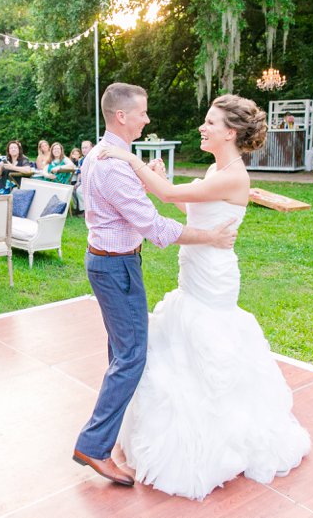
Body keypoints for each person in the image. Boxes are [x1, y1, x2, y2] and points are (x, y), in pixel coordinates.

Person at [98, 93, 311, 499]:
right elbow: (188, 208)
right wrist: (156, 174)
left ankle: (219, 439)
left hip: (213, 278)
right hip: (193, 271)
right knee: (180, 345)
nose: (203, 127)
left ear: (230, 132)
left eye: (210, 123)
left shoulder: (234, 175)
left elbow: (166, 195)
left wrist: (130, 160)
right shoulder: (218, 168)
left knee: (209, 345)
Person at [71, 83, 237, 487]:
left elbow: (126, 198)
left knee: (121, 353)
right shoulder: (111, 163)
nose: (148, 118)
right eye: (142, 112)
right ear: (122, 117)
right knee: (131, 357)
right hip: (117, 268)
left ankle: (111, 434)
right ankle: (93, 446)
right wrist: (210, 238)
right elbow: (157, 228)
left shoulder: (103, 154)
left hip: (107, 262)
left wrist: (152, 180)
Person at [73, 140, 94, 213]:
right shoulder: (81, 160)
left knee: (79, 190)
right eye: (82, 148)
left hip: (91, 182)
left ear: (91, 148)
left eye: (86, 148)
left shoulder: (94, 158)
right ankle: (77, 208)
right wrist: (77, 182)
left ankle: (84, 211)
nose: (84, 150)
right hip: (83, 181)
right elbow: (79, 172)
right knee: (73, 189)